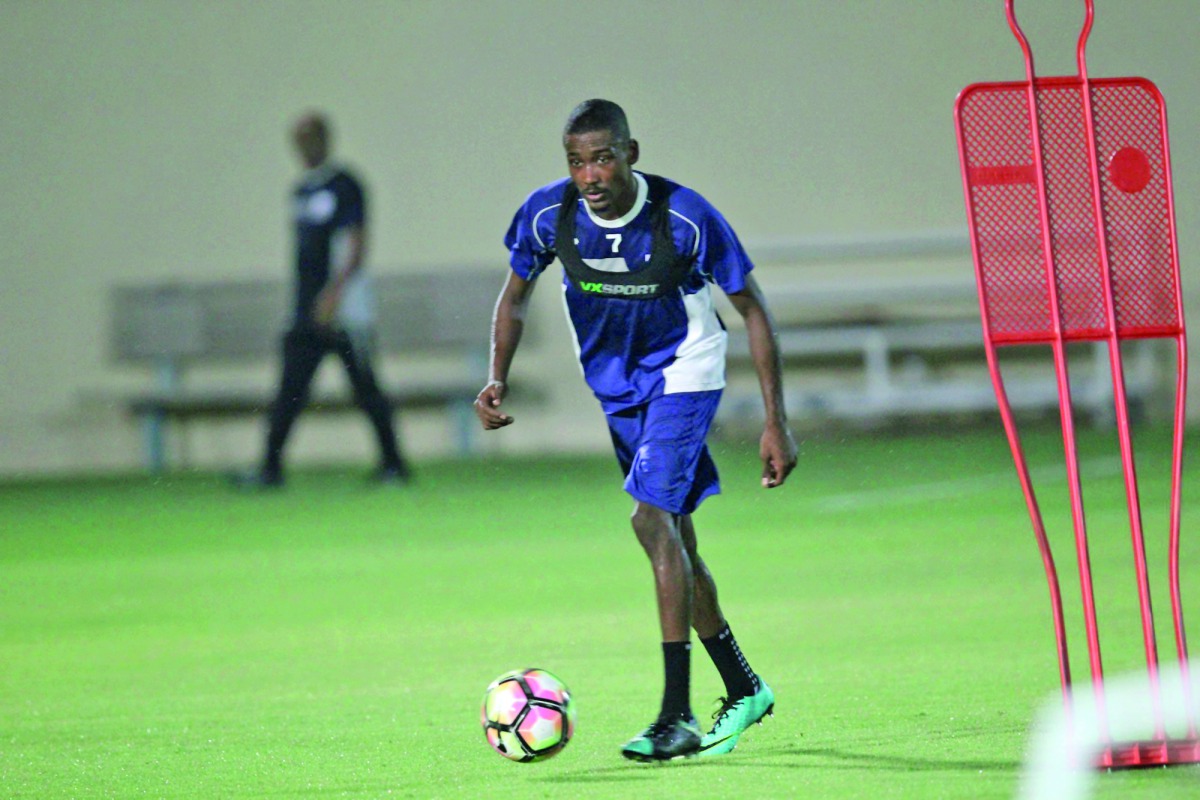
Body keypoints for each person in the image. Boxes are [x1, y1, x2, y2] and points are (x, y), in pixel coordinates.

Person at [475, 99, 797, 761]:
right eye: (576, 161)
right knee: (676, 538)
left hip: (685, 371)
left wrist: (777, 423)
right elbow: (514, 297)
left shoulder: (684, 217)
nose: (589, 174)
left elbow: (752, 309)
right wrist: (497, 376)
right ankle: (743, 685)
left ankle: (674, 715)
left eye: (602, 157)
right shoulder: (548, 215)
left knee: (650, 521)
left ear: (631, 153)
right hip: (618, 390)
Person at [236, 112, 410, 488]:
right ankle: (269, 468)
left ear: (326, 139)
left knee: (366, 389)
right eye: (299, 139)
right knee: (289, 391)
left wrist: (334, 294)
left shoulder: (345, 185)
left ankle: (394, 465)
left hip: (342, 310)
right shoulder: (301, 191)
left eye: (311, 138)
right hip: (305, 310)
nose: (305, 147)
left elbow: (355, 243)